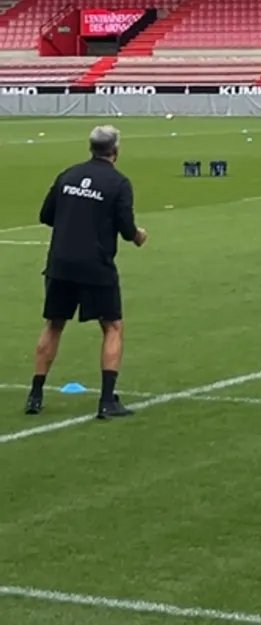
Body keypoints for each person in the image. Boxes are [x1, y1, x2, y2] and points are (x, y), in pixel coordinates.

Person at [25, 125, 147, 421]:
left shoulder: (68, 175)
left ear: (91, 147)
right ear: (115, 151)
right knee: (112, 326)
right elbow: (126, 227)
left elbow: (46, 215)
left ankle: (35, 395)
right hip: (95, 263)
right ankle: (106, 401)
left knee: (54, 324)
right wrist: (138, 236)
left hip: (61, 261)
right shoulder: (118, 182)